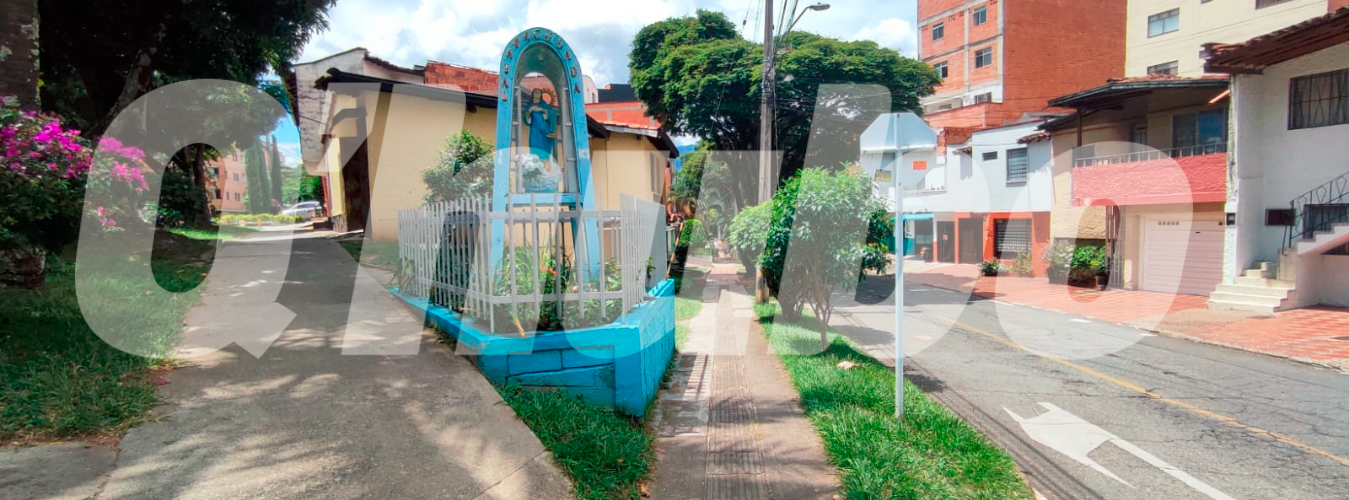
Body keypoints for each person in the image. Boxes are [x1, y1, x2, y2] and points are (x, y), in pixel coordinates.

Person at [523, 88, 557, 161]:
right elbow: (526, 119)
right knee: (534, 147)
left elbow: (551, 114)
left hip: (544, 131)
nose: (537, 94)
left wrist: (542, 110)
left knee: (543, 149)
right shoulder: (529, 105)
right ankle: (536, 163)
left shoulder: (544, 105)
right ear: (532, 94)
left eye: (539, 93)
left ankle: (544, 162)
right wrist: (530, 110)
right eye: (535, 92)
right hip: (534, 131)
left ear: (541, 95)